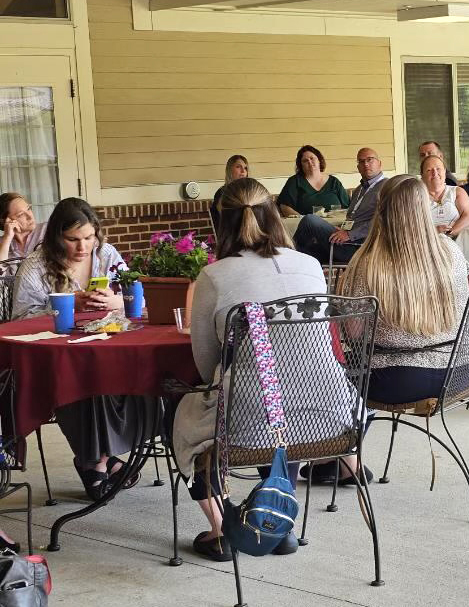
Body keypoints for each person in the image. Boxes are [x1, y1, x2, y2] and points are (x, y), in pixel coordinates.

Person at [171, 177, 356, 562]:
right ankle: (277, 523)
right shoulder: (309, 265)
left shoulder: (215, 276)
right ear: (273, 214)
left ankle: (224, 530)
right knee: (284, 403)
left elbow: (207, 362)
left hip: (252, 420)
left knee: (179, 415)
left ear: (219, 223)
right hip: (332, 415)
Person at [11, 198, 140, 499]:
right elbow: (18, 319)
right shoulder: (37, 266)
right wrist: (64, 307)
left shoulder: (106, 255)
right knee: (83, 382)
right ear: (56, 237)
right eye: (72, 240)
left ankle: (99, 460)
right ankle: (101, 461)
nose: (83, 247)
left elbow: (136, 296)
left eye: (88, 238)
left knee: (128, 376)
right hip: (59, 355)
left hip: (108, 345)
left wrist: (116, 301)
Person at [338, 175, 469, 405]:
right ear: (424, 207)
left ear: (381, 209)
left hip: (399, 379)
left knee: (328, 371)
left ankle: (352, 438)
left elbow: (353, 333)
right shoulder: (450, 249)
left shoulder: (368, 264)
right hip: (464, 369)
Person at [293, 147, 386, 264]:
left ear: (379, 163)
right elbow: (354, 219)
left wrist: (350, 234)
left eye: (370, 160)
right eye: (361, 162)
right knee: (306, 251)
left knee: (310, 220)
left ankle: (285, 255)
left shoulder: (387, 187)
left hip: (360, 247)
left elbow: (384, 221)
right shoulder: (359, 190)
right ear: (358, 167)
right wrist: (344, 229)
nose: (366, 164)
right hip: (346, 243)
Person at [277, 145, 350, 216]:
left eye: (312, 158)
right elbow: (285, 207)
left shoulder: (334, 182)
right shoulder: (295, 181)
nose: (309, 162)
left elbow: (348, 206)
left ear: (319, 160)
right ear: (301, 165)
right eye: (305, 161)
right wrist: (303, 220)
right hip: (308, 225)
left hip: (335, 224)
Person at [421, 154, 469, 238]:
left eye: (438, 169)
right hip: (428, 244)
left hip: (457, 244)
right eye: (429, 170)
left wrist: (449, 233)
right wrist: (435, 231)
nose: (435, 173)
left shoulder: (457, 192)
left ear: (445, 172)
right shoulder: (417, 197)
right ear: (422, 176)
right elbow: (412, 226)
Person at [0, 193, 46, 269]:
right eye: (21, 214)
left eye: (28, 208)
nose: (30, 216)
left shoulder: (48, 230)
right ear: (7, 221)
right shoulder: (3, 243)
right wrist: (7, 238)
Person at [210, 155, 249, 232]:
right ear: (230, 170)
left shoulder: (250, 191)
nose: (243, 171)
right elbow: (224, 220)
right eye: (238, 167)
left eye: (245, 168)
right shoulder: (222, 193)